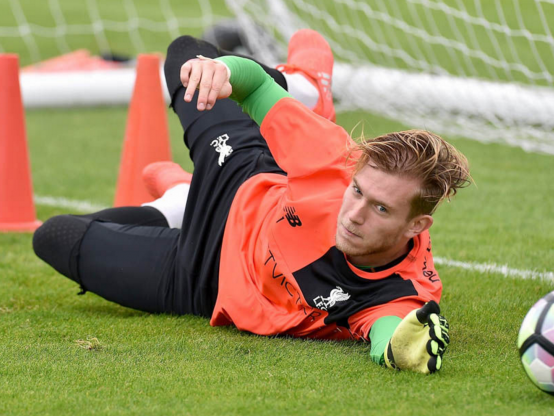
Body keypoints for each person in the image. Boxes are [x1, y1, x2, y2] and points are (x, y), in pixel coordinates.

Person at [33, 30, 470, 373]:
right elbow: (254, 85)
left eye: (380, 209)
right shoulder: (332, 158)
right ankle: (306, 92)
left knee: (54, 237)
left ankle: (179, 202)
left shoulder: (402, 292)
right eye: (358, 191)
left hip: (202, 281)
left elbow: (389, 334)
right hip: (239, 182)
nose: (353, 215)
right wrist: (223, 70)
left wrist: (406, 349)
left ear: (417, 227)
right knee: (187, 57)